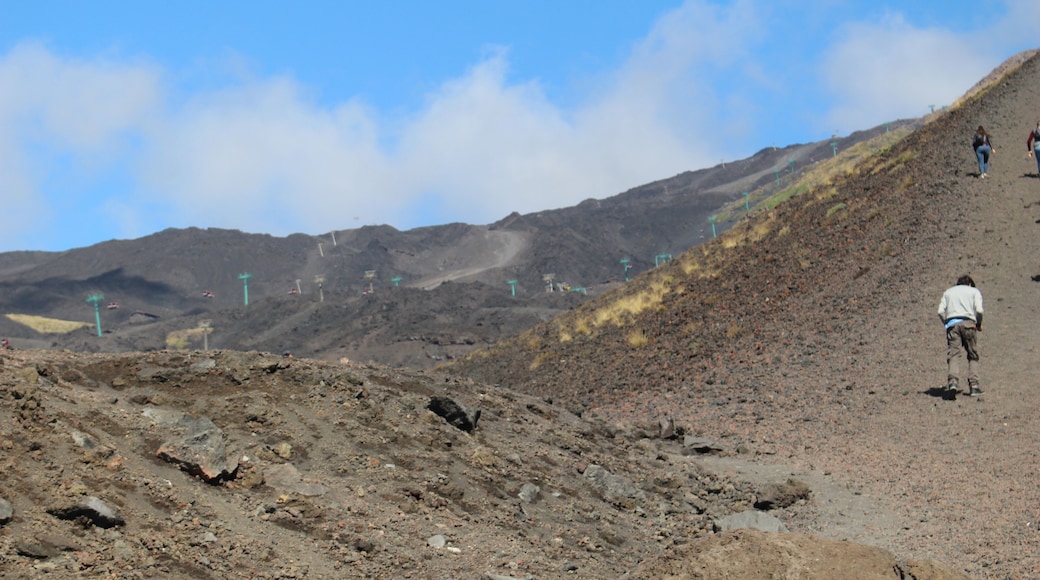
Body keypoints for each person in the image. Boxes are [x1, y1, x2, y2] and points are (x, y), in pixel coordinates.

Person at [937, 275, 984, 399]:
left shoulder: (948, 292)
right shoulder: (974, 291)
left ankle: (953, 382)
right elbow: (979, 311)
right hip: (969, 324)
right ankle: (974, 386)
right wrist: (978, 324)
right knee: (973, 355)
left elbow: (940, 311)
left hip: (952, 325)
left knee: (954, 355)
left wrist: (947, 324)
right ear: (970, 284)